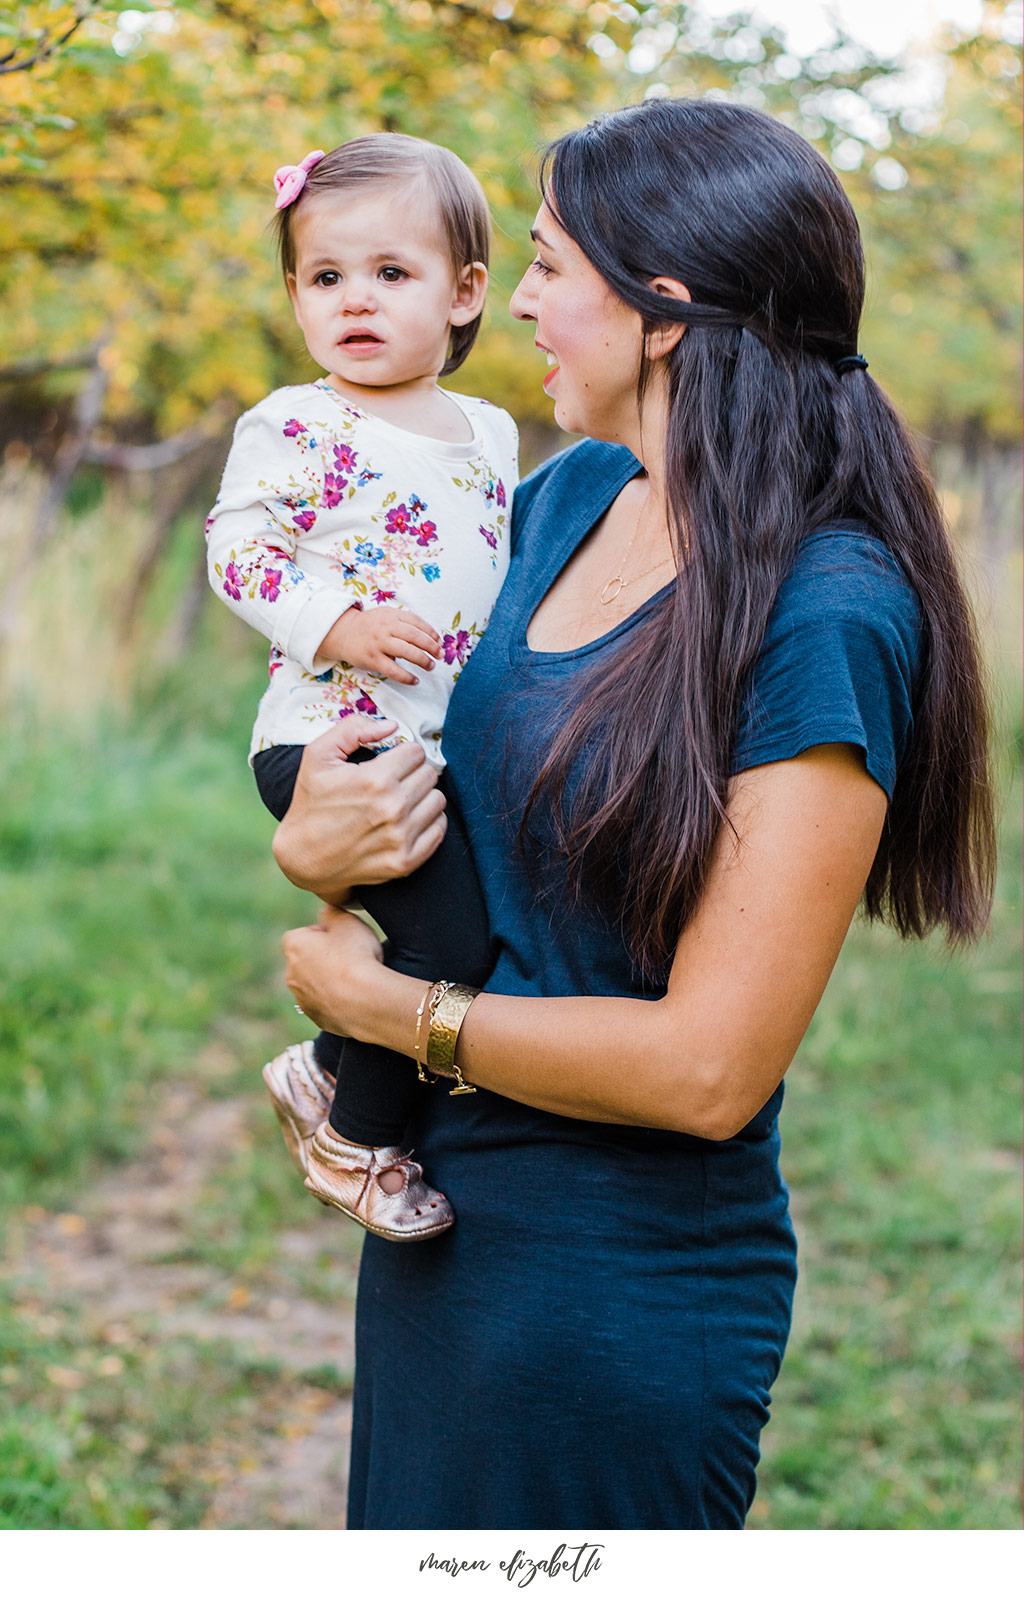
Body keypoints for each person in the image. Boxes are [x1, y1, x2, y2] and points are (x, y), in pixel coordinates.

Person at [273, 100, 994, 1529]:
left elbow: (710, 1067)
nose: (518, 302)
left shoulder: (823, 610)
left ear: (662, 309)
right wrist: (317, 842)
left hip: (618, 1286)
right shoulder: (560, 504)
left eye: (546, 266)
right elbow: (420, 776)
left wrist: (395, 1019)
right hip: (439, 1228)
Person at [205, 135, 518, 1241]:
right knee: (448, 943)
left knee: (470, 931)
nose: (356, 302)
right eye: (325, 277)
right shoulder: (296, 422)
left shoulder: (491, 432)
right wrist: (334, 621)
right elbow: (236, 550)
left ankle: (327, 1068)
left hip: (432, 743)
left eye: (392, 274)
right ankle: (357, 1140)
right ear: (294, 295)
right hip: (330, 741)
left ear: (465, 291)